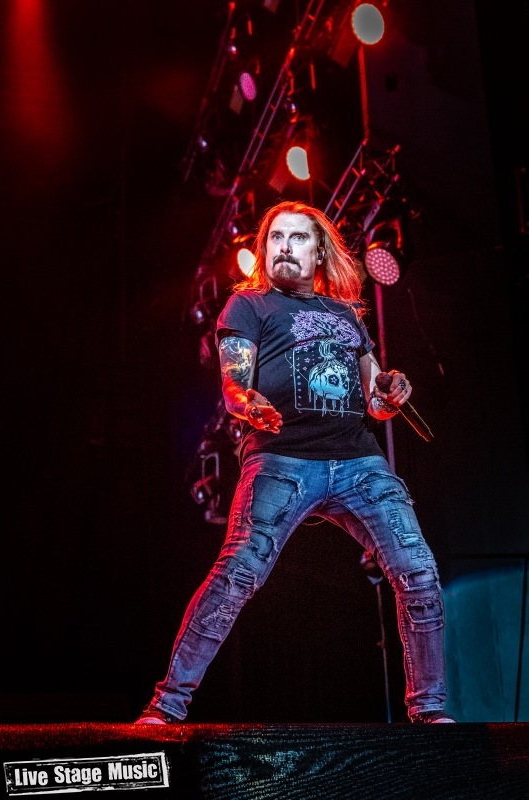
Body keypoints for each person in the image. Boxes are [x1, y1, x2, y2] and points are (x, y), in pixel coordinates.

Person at [135, 200, 456, 725]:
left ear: (320, 252)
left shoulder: (347, 315)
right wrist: (248, 403)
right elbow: (234, 384)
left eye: (298, 237)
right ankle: (167, 705)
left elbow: (375, 401)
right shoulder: (249, 305)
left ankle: (430, 711)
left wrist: (391, 389)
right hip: (282, 460)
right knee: (237, 575)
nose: (284, 246)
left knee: (418, 572)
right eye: (275, 237)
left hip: (358, 462)